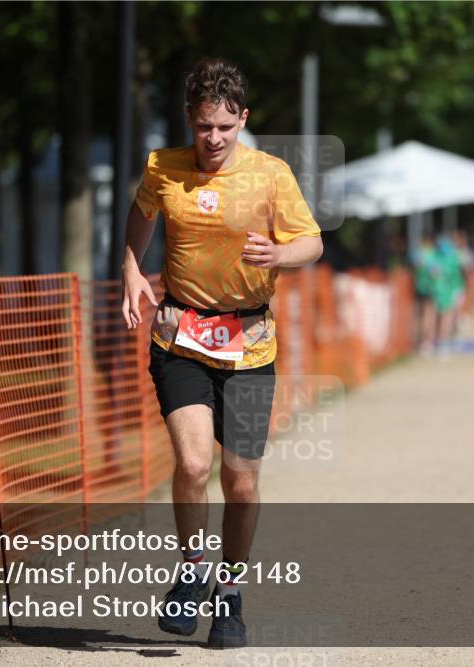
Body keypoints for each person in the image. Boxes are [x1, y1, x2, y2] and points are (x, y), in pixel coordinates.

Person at [120, 57, 323, 649]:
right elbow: (140, 213)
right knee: (190, 465)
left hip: (250, 342)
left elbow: (310, 242)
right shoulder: (164, 166)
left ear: (243, 121)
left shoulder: (271, 174)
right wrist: (133, 270)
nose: (213, 139)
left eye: (225, 128)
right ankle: (192, 572)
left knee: (241, 481)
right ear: (189, 119)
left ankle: (230, 595)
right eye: (204, 126)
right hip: (180, 332)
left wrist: (279, 256)